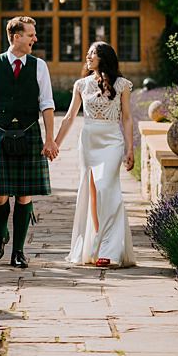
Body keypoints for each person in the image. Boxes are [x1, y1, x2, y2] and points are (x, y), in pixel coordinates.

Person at [0, 16, 59, 269]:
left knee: (23, 195)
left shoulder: (39, 66)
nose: (35, 38)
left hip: (30, 134)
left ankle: (18, 252)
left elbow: (47, 103)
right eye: (31, 34)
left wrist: (50, 139)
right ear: (16, 36)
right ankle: (1, 233)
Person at [54, 41, 136, 268]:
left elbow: (127, 118)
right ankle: (96, 245)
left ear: (104, 58)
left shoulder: (122, 85)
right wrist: (55, 143)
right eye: (88, 54)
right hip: (88, 143)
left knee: (106, 189)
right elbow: (70, 117)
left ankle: (110, 249)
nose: (88, 57)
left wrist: (130, 149)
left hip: (112, 141)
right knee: (91, 195)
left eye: (93, 54)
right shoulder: (81, 84)